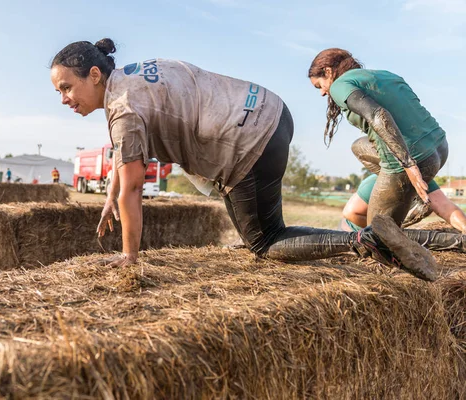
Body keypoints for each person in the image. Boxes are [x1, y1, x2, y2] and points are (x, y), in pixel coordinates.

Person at [49, 38, 447, 281]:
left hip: (246, 140)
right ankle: (421, 240)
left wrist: (130, 256)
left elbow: (132, 185)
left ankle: (367, 242)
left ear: (96, 75)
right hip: (272, 111)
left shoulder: (122, 109)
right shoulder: (137, 76)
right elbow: (124, 161)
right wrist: (106, 200)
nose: (64, 98)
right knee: (266, 227)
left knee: (263, 241)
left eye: (67, 87)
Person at [308, 49, 448, 227]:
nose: (322, 93)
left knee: (378, 231)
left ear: (327, 71)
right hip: (440, 147)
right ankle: (406, 206)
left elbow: (378, 115)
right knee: (358, 146)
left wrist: (409, 165)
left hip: (413, 158)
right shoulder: (386, 75)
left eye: (319, 85)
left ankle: (396, 226)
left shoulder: (338, 85)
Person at [341, 174, 466, 252]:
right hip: (354, 232)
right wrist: (387, 231)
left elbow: (445, 207)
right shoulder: (376, 182)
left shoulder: (423, 179)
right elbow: (351, 213)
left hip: (389, 230)